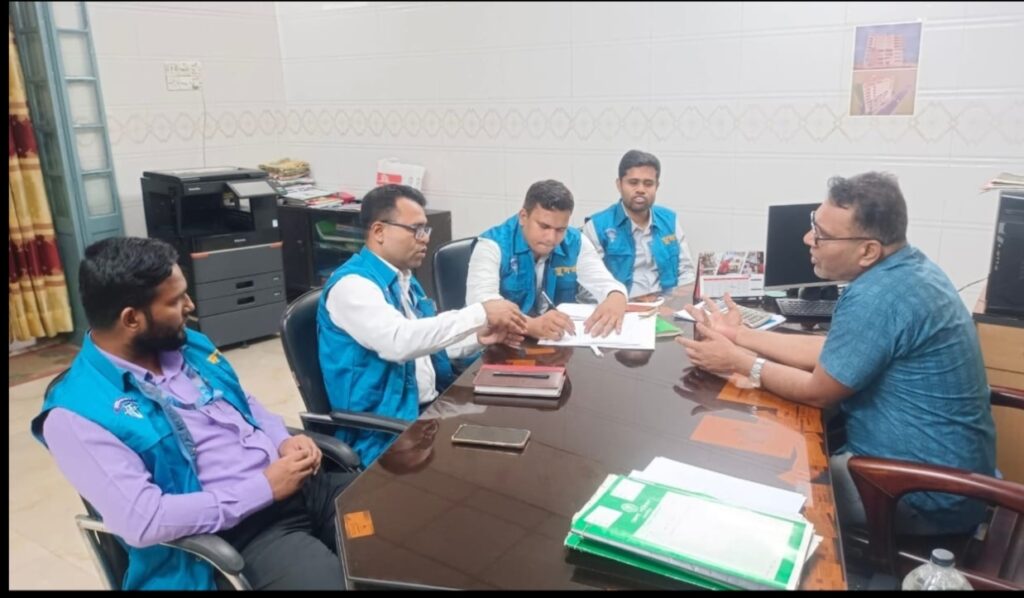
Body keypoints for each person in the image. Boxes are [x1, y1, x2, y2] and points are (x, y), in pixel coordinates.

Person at [677, 172, 995, 535]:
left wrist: (738, 361)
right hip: (953, 481)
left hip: (916, 494)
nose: (807, 239)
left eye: (822, 235)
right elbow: (833, 349)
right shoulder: (910, 269)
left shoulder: (876, 296)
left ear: (868, 251)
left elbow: (818, 391)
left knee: (754, 485)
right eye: (814, 224)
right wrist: (739, 335)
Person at [31, 237, 354, 590]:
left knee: (391, 523)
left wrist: (282, 440)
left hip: (302, 488)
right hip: (242, 532)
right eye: (175, 300)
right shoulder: (76, 415)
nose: (190, 305)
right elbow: (144, 520)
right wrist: (264, 488)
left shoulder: (187, 344)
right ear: (131, 318)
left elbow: (244, 402)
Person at [319, 184, 527, 466]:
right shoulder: (353, 286)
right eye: (415, 229)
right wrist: (480, 312)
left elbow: (425, 349)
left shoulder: (404, 281)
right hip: (385, 433)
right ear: (379, 231)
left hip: (427, 413)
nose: (425, 238)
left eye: (426, 229)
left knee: (509, 429)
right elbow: (399, 342)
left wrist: (478, 337)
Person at [465, 179, 628, 340]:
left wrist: (615, 295)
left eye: (560, 229)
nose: (551, 238)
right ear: (523, 216)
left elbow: (605, 282)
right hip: (499, 343)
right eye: (544, 226)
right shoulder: (491, 245)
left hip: (555, 341)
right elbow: (483, 305)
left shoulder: (575, 242)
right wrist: (530, 326)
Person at [583, 150, 696, 299]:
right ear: (619, 185)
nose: (641, 190)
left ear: (657, 186)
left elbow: (686, 272)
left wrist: (675, 302)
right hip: (622, 307)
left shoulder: (670, 220)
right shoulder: (596, 227)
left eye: (648, 184)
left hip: (666, 305)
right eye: (633, 183)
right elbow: (588, 287)